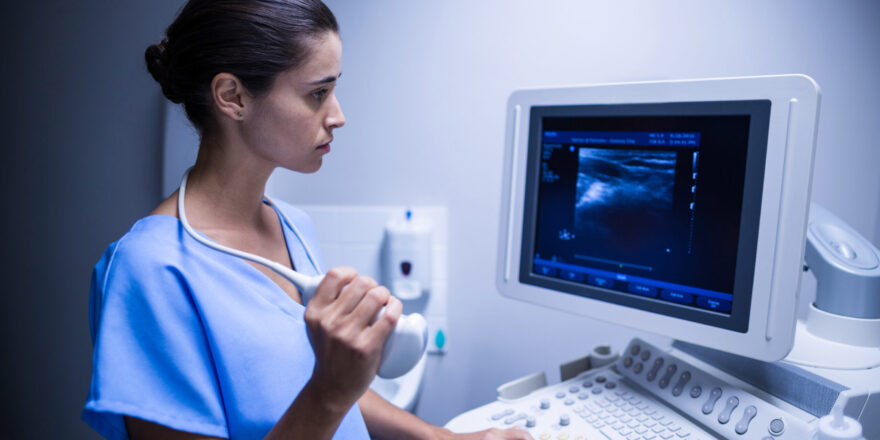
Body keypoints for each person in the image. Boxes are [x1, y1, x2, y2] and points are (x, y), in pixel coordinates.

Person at [82, 1, 533, 439]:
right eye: (318, 93)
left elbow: (318, 386)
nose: (337, 116)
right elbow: (326, 392)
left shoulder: (292, 225)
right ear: (233, 97)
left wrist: (439, 438)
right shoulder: (150, 270)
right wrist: (330, 392)